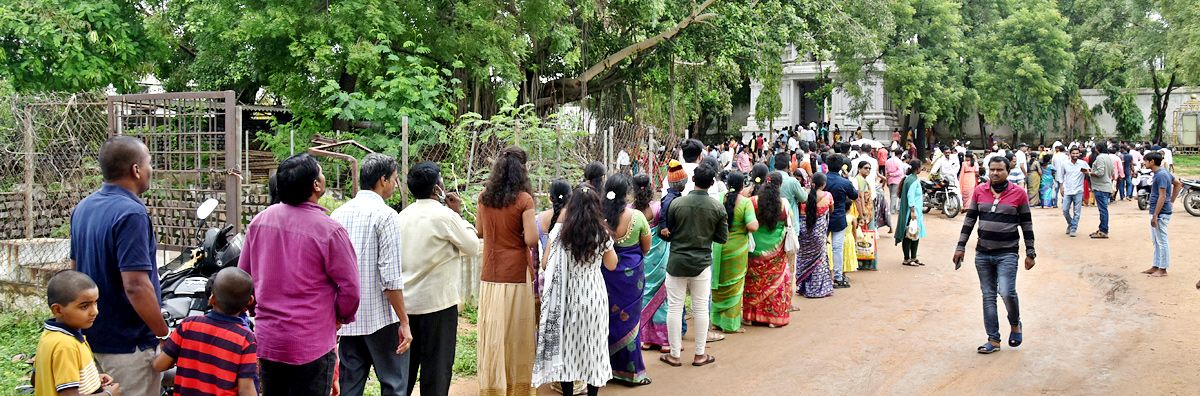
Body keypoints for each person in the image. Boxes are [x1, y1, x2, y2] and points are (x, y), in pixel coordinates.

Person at [240, 153, 360, 396]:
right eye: (321, 172)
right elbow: (351, 289)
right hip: (311, 344)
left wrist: (257, 311)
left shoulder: (259, 222)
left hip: (269, 340)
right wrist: (339, 317)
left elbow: (244, 280)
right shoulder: (330, 231)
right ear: (316, 185)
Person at [70, 136, 166, 396]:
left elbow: (74, 273)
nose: (151, 170)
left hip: (93, 336)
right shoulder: (131, 213)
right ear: (136, 170)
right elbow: (135, 285)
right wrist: (163, 334)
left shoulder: (83, 208)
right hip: (129, 345)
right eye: (149, 164)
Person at [328, 153, 412, 396]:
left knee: (350, 385)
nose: (396, 185)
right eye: (395, 179)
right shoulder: (386, 216)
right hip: (380, 318)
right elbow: (391, 278)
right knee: (394, 383)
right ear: (383, 180)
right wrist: (404, 322)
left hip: (347, 316)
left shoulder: (338, 215)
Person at [397, 161, 480, 396]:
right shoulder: (445, 216)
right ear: (437, 189)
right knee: (436, 371)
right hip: (438, 306)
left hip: (407, 307)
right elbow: (472, 246)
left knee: (406, 372)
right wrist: (459, 215)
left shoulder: (401, 216)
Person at [532, 184, 615, 396]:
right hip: (594, 297)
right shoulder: (602, 232)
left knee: (568, 350)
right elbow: (612, 264)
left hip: (567, 298)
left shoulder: (560, 232)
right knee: (594, 349)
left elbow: (544, 264)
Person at [475, 146, 540, 396]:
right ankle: (516, 386)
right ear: (522, 169)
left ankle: (492, 386)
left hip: (490, 274)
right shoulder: (524, 199)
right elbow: (532, 240)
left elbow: (480, 231)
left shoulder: (484, 196)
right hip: (515, 274)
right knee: (516, 332)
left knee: (493, 330)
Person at [954, 155, 1036, 354]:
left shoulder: (1019, 194)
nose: (995, 173)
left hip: (1007, 253)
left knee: (1007, 292)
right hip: (983, 254)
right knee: (988, 296)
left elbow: (1026, 224)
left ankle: (1015, 323)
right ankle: (993, 339)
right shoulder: (979, 191)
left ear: (1008, 171)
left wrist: (1030, 252)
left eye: (999, 170)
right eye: (992, 170)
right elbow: (970, 221)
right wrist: (960, 246)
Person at [659, 165, 728, 367]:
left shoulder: (677, 204)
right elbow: (722, 238)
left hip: (677, 262)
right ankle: (699, 355)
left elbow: (668, 231)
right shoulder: (717, 208)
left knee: (674, 307)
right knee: (700, 309)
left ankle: (674, 355)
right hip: (702, 263)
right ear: (712, 183)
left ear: (692, 180)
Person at [153, 268, 258, 396]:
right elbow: (246, 389)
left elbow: (159, 366)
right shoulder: (245, 339)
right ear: (250, 301)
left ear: (211, 298)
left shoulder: (187, 325)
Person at [599, 174, 653, 386]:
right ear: (626, 193)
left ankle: (604, 370)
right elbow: (646, 247)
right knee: (630, 321)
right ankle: (630, 373)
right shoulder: (637, 216)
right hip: (631, 279)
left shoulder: (598, 216)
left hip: (605, 274)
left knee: (605, 319)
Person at [35, 270, 120, 396]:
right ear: (58, 310)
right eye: (84, 306)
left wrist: (91, 380)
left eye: (95, 303)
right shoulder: (66, 346)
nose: (95, 311)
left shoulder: (48, 336)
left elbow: (36, 379)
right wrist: (108, 394)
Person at [634, 173, 685, 354]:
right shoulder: (658, 207)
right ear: (651, 188)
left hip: (641, 258)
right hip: (661, 258)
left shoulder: (631, 210)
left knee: (645, 294)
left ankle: (646, 340)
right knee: (664, 299)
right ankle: (665, 341)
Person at [710, 170, 759, 334]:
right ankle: (730, 324)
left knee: (718, 284)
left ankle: (715, 321)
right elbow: (752, 226)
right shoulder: (745, 203)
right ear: (742, 186)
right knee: (734, 286)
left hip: (719, 247)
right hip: (736, 251)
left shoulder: (719, 197)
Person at [744, 172, 794, 327]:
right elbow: (788, 224)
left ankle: (751, 317)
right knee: (777, 283)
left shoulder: (752, 202)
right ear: (780, 186)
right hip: (776, 252)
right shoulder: (784, 204)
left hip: (754, 251)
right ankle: (773, 319)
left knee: (753, 283)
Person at [1141, 152, 1182, 278]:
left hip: (1160, 212)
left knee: (1162, 240)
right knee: (1156, 240)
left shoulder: (1161, 175)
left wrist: (1155, 215)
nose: (1144, 163)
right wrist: (1171, 201)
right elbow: (1177, 184)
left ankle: (1163, 268)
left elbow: (1162, 196)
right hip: (1158, 210)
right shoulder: (1162, 173)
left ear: (1152, 162)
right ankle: (1156, 265)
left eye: (1146, 161)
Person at [824, 154, 859, 288]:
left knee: (823, 247)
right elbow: (854, 195)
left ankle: (823, 275)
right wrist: (847, 178)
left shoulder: (823, 179)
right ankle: (838, 277)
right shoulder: (844, 182)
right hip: (839, 217)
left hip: (824, 217)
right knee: (837, 248)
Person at [896, 159, 925, 267]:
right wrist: (912, 211)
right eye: (920, 167)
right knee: (909, 234)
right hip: (912, 212)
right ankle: (907, 259)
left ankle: (914, 257)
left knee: (915, 233)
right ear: (917, 168)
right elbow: (910, 196)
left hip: (916, 211)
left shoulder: (911, 179)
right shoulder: (912, 181)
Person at [851, 161, 878, 270]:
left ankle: (863, 262)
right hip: (865, 213)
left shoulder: (861, 180)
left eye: (869, 168)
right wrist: (863, 215)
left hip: (866, 212)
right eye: (866, 168)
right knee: (865, 237)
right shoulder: (860, 180)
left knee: (863, 236)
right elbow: (860, 197)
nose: (868, 170)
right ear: (859, 169)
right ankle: (866, 263)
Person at [1058, 147, 1090, 238]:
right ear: (1070, 154)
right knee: (1065, 209)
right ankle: (1070, 223)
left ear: (1079, 154)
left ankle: (1073, 228)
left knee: (1077, 211)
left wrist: (1087, 172)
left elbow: (1089, 172)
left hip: (1079, 190)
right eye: (1073, 153)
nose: (1075, 155)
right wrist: (1061, 187)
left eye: (1077, 153)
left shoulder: (1083, 164)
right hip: (1067, 190)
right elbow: (1061, 175)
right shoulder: (1065, 164)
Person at [1088, 145, 1115, 239]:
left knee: (1103, 210)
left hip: (1101, 187)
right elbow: (1112, 172)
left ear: (1097, 150)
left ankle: (1103, 230)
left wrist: (1090, 173)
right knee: (1103, 209)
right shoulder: (1109, 158)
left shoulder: (1100, 158)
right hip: (1106, 185)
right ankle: (1102, 228)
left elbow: (1100, 172)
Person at [886, 149, 907, 214]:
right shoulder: (899, 162)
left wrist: (887, 178)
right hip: (897, 180)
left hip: (889, 180)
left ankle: (892, 208)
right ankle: (892, 210)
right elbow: (900, 172)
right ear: (900, 155)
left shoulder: (888, 161)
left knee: (891, 195)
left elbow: (886, 171)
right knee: (894, 195)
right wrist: (893, 174)